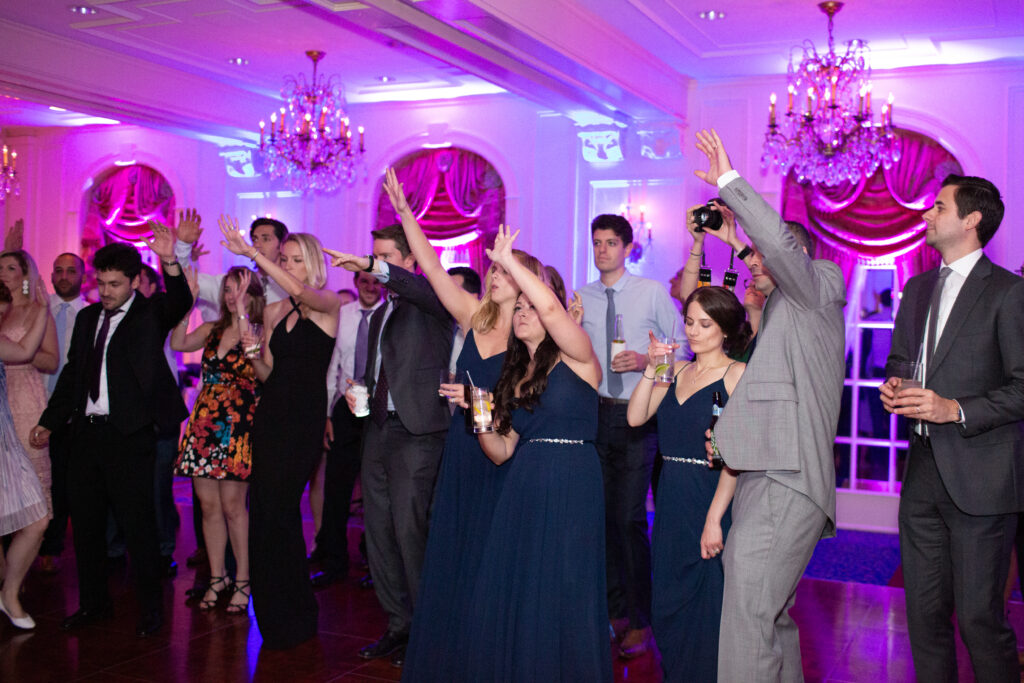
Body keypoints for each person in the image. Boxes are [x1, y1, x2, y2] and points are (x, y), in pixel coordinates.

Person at [367, 168, 544, 677]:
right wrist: (405, 214)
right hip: (464, 449)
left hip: (507, 453)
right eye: (492, 271)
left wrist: (479, 399)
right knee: (455, 549)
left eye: (504, 272)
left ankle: (495, 651)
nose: (492, 277)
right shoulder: (473, 316)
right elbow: (431, 271)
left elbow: (531, 400)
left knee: (496, 552)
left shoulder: (533, 334)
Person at [690, 129, 846, 681]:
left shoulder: (819, 283)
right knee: (770, 617)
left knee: (748, 618)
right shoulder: (791, 305)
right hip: (771, 472)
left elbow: (779, 251)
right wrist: (737, 244)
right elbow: (768, 262)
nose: (753, 264)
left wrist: (730, 183)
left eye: (760, 255)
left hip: (786, 477)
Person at [880, 174, 1024, 681]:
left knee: (981, 620)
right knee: (923, 617)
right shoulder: (917, 288)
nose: (927, 214)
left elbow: (1022, 388)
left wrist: (954, 409)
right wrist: (894, 388)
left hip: (982, 480)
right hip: (921, 475)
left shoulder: (1009, 293)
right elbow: (900, 360)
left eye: (937, 206)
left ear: (971, 220)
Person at [466, 224, 611, 681]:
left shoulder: (576, 355)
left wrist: (509, 263)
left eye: (533, 306)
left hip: (571, 479)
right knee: (525, 587)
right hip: (524, 486)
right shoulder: (514, 376)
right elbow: (501, 451)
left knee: (566, 585)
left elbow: (549, 305)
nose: (526, 312)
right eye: (520, 308)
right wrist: (481, 415)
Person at [32, 228, 192, 638]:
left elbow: (180, 300)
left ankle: (152, 610)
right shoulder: (87, 319)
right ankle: (93, 605)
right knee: (85, 526)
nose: (105, 291)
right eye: (101, 283)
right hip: (85, 435)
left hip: (130, 436)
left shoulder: (149, 314)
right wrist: (50, 420)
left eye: (115, 284)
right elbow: (72, 374)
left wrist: (170, 260)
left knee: (138, 528)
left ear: (135, 281)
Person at [323, 218, 453, 667]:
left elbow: (413, 288)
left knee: (409, 531)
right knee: (378, 534)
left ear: (411, 261)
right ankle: (399, 625)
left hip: (417, 432)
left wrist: (373, 266)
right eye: (374, 256)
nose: (376, 268)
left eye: (387, 258)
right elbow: (376, 372)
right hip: (376, 429)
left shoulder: (434, 299)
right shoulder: (378, 313)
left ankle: (428, 632)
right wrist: (357, 391)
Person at [219, 220, 341, 649]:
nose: (285, 265)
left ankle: (299, 612)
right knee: (267, 513)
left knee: (284, 509)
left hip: (303, 423)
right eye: (282, 259)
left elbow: (305, 294)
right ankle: (272, 612)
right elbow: (270, 375)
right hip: (270, 418)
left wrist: (253, 256)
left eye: (293, 260)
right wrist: (253, 353)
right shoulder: (273, 313)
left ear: (311, 265)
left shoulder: (328, 305)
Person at [626, 286, 748, 682]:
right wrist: (653, 365)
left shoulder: (738, 375)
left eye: (705, 324)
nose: (693, 332)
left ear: (726, 330)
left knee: (708, 607)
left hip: (711, 496)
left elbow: (736, 459)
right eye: (690, 322)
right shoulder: (675, 369)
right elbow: (635, 417)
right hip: (671, 497)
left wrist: (715, 519)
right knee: (667, 604)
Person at [578, 213, 682, 656]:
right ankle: (612, 611)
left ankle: (641, 619)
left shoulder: (651, 292)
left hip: (638, 416)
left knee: (629, 518)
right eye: (597, 242)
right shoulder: (580, 298)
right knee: (599, 518)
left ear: (627, 248)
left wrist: (645, 361)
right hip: (592, 413)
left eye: (610, 243)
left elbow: (682, 352)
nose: (602, 250)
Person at [172, 266, 265, 614]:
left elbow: (260, 371)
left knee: (233, 507)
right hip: (204, 422)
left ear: (253, 293)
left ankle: (243, 579)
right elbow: (178, 343)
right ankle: (217, 576)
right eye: (227, 289)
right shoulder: (211, 329)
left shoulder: (259, 330)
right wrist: (188, 305)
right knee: (208, 507)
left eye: (238, 290)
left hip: (238, 424)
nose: (230, 296)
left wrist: (241, 312)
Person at [311, 269, 384, 589]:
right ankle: (334, 560)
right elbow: (331, 365)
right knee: (337, 488)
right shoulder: (342, 315)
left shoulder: (394, 314)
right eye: (363, 281)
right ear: (355, 283)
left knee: (376, 489)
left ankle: (376, 562)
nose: (369, 287)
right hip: (345, 406)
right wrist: (327, 412)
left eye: (375, 281)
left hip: (379, 407)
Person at [0, 299, 52, 629]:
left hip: (6, 440)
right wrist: (43, 311)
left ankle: (9, 592)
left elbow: (25, 351)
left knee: (37, 519)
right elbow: (25, 350)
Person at [38, 252, 88, 572]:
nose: (65, 276)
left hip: (75, 412)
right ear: (52, 276)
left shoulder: (92, 314)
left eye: (71, 270)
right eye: (59, 271)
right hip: (35, 404)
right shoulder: (40, 312)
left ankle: (52, 547)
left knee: (64, 483)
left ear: (83, 276)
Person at [0, 250, 58, 519]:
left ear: (25, 275)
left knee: (29, 481)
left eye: (10, 268)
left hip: (23, 395)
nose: (2, 272)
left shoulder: (37, 310)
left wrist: (20, 352)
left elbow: (52, 360)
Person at [175, 210, 289, 320]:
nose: (257, 244)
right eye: (255, 239)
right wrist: (183, 245)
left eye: (266, 239)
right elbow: (187, 280)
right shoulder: (236, 282)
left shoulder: (290, 287)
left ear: (282, 245)